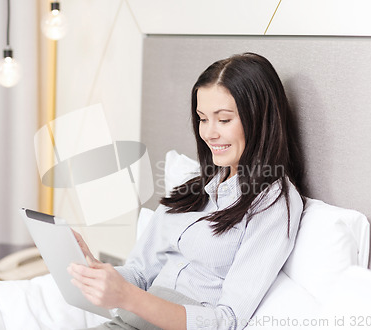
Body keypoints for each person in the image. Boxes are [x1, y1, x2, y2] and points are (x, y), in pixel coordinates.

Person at [67, 53, 305, 330]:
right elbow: (141, 274)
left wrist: (129, 297)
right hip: (128, 321)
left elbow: (226, 321)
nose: (209, 133)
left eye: (224, 120)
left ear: (260, 120)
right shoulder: (193, 187)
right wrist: (96, 272)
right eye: (203, 119)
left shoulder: (272, 202)